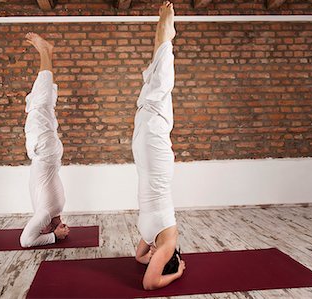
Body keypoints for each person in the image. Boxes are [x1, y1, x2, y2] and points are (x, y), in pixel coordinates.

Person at [132, 1, 185, 290]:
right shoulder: (150, 237)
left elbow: (149, 284)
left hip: (157, 155)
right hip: (141, 147)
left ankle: (167, 26)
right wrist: (149, 255)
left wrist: (176, 273)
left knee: (162, 85)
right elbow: (139, 257)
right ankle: (164, 30)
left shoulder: (168, 242)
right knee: (153, 89)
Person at [20, 32, 70, 247]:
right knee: (41, 104)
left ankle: (47, 53)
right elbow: (25, 242)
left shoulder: (50, 211)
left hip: (47, 152)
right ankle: (44, 50)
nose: (63, 225)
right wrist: (54, 238)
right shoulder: (45, 213)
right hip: (45, 151)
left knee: (43, 103)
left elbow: (31, 236)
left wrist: (54, 232)